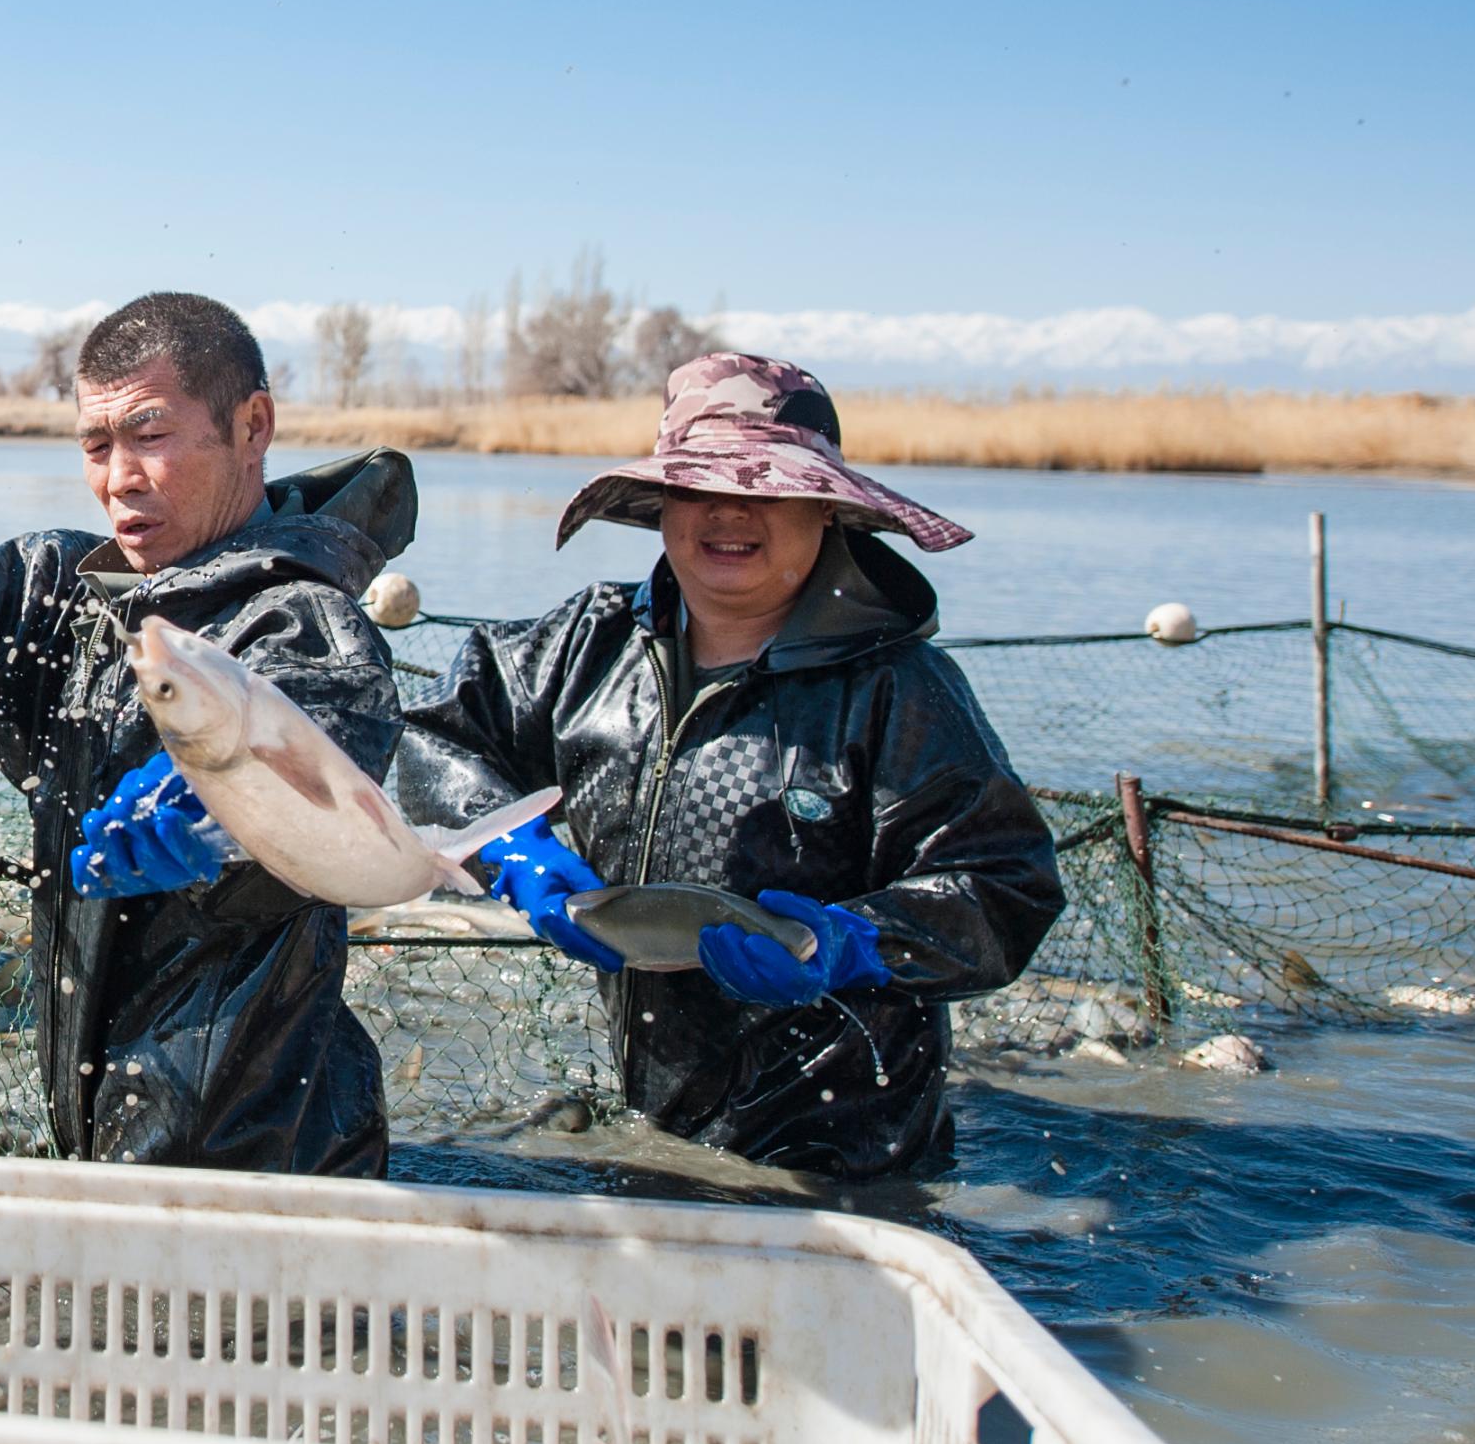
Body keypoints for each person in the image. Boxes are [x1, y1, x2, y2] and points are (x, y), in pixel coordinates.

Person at [397, 354, 1062, 1177]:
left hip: (842, 1151)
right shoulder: (584, 645)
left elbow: (1003, 889)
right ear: (662, 505)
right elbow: (436, 737)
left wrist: (847, 943)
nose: (727, 513)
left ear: (825, 510)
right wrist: (505, 848)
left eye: (764, 489)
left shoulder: (894, 688)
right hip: (651, 1116)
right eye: (698, 486)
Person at [0, 292, 412, 1175]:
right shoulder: (58, 590)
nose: (119, 477)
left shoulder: (301, 624)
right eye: (95, 443)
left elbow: (320, 766)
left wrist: (212, 815)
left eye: (150, 434)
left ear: (252, 425)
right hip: (94, 1114)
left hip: (261, 1150)